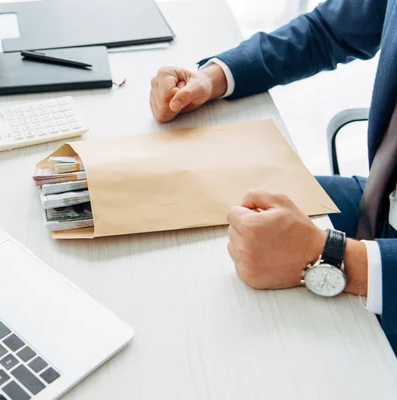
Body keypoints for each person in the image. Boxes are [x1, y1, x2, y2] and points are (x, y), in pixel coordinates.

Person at [149, 0, 397, 353]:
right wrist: (213, 78)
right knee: (214, 198)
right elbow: (329, 30)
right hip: (380, 200)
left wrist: (333, 258)